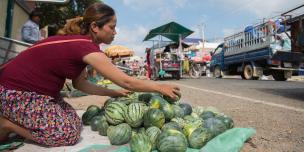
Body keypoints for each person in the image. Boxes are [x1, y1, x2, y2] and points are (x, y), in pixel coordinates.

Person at [0, 2, 180, 147]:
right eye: (112, 27)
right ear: (95, 27)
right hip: (13, 93)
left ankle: (18, 120)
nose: (115, 32)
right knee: (66, 134)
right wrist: (159, 87)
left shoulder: (82, 45)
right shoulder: (85, 47)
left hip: (35, 94)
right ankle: (7, 125)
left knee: (74, 121)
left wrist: (114, 93)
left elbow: (80, 85)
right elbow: (126, 81)